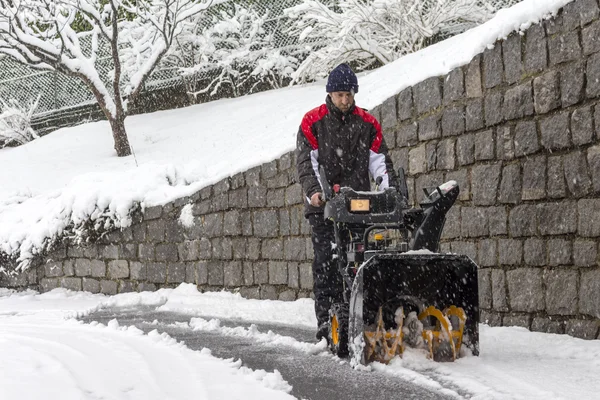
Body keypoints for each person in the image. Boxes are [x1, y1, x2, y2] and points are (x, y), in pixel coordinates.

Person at [295, 63, 397, 340]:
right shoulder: (312, 122)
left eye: (349, 94)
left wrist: (391, 193)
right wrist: (316, 192)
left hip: (358, 205)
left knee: (365, 260)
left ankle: (370, 314)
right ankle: (326, 320)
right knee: (327, 264)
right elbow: (307, 164)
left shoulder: (367, 124)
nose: (345, 100)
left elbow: (381, 163)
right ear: (330, 94)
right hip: (324, 208)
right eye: (340, 94)